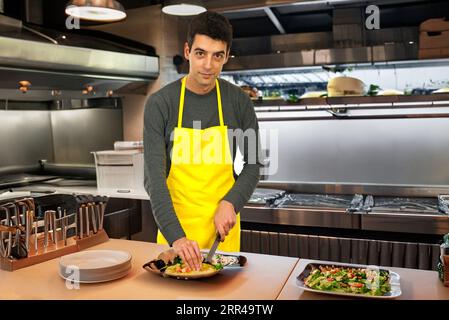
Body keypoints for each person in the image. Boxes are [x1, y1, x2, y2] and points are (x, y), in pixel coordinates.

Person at [143, 11, 261, 271]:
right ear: (187, 51)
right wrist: (178, 237)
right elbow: (154, 179)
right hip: (176, 235)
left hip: (223, 237)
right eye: (200, 53)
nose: (208, 65)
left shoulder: (239, 102)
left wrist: (231, 202)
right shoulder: (160, 104)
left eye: (217, 55)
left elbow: (253, 165)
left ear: (227, 56)